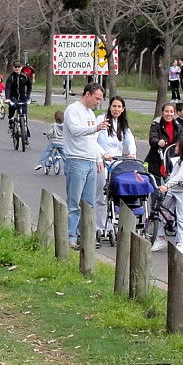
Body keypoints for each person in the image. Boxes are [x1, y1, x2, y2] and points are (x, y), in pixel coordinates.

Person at [63, 83, 109, 249]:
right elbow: (75, 130)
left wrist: (98, 158)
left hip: (90, 161)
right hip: (76, 160)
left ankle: (85, 235)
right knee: (74, 201)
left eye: (100, 99)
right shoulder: (73, 110)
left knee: (88, 202)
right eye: (96, 98)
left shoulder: (90, 113)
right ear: (88, 94)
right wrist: (95, 127)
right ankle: (70, 236)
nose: (98, 102)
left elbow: (92, 140)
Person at [151, 136, 183, 254]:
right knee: (162, 210)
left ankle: (181, 243)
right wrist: (166, 183)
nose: (176, 147)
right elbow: (172, 175)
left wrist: (167, 186)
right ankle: (160, 237)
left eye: (178, 145)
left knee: (182, 217)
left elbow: (179, 176)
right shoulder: (180, 160)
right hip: (173, 189)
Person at [95, 96, 137, 237]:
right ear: (109, 107)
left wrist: (132, 153)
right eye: (114, 106)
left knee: (116, 195)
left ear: (123, 109)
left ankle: (112, 224)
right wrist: (103, 153)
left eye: (119, 107)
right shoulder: (101, 120)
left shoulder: (122, 124)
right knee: (101, 195)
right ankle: (100, 227)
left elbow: (130, 139)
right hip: (102, 161)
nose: (116, 109)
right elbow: (92, 140)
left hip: (117, 163)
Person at [145, 103, 183, 184]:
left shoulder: (178, 125)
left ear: (174, 113)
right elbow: (152, 138)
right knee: (156, 187)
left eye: (171, 112)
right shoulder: (156, 124)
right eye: (166, 111)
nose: (169, 114)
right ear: (162, 112)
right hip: (157, 159)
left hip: (172, 159)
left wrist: (180, 143)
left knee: (170, 186)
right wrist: (158, 142)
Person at [5, 61, 31, 131]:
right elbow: (7, 88)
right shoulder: (11, 77)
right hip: (13, 97)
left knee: (24, 117)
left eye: (18, 67)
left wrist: (28, 96)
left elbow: (29, 86)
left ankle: (25, 137)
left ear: (21, 67)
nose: (17, 68)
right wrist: (7, 98)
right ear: (13, 68)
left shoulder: (25, 76)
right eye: (15, 67)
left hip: (23, 97)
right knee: (12, 108)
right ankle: (11, 120)